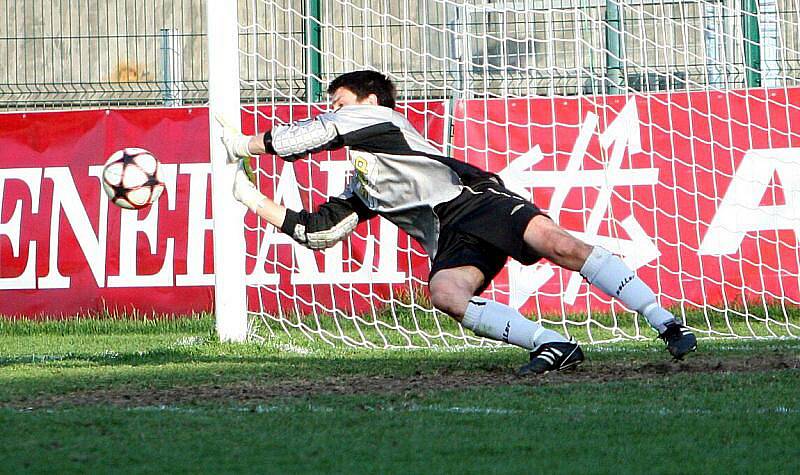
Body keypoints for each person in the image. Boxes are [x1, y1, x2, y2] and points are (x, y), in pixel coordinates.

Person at [220, 70, 697, 374]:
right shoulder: (366, 183)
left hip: (475, 200)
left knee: (560, 245)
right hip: (450, 234)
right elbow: (320, 231)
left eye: (340, 101)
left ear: (369, 102)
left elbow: (314, 135)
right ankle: (552, 344)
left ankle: (665, 322)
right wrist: (248, 197)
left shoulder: (381, 121)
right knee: (446, 294)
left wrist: (241, 145)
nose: (333, 109)